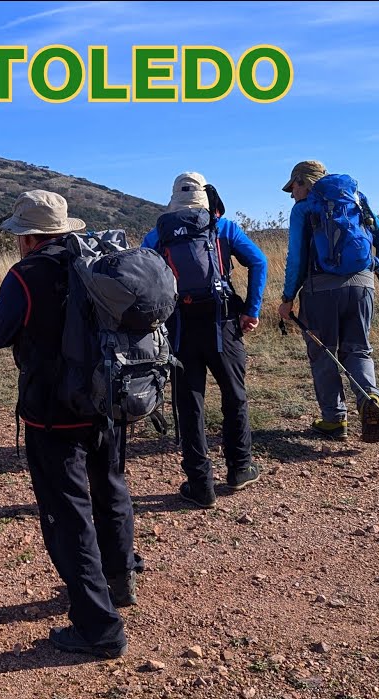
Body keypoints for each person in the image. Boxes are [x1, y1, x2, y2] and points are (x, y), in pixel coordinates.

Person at [0, 190, 132, 659]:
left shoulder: (26, 275)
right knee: (110, 488)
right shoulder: (97, 264)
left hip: (52, 414)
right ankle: (120, 578)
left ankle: (98, 626)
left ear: (29, 238)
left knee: (68, 514)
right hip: (107, 400)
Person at [142, 173, 267, 509]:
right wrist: (251, 310)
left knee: (190, 405)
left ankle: (200, 485)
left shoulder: (157, 235)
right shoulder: (223, 228)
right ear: (206, 198)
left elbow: (144, 280)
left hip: (179, 329)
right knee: (234, 395)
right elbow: (258, 261)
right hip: (222, 323)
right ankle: (240, 468)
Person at [276, 161, 379, 442]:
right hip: (362, 286)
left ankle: (334, 420)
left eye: (293, 188)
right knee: (358, 349)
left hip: (320, 291)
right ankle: (370, 398)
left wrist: (287, 297)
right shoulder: (356, 199)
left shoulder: (303, 210)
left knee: (324, 352)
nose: (292, 194)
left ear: (304, 183)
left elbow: (296, 258)